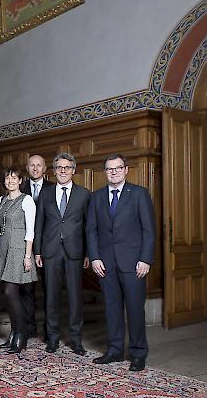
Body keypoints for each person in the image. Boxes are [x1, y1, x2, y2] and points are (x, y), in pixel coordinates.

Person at [86, 154, 155, 372]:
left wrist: (145, 259)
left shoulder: (139, 194)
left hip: (134, 263)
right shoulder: (96, 197)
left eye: (117, 168)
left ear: (126, 170)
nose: (113, 172)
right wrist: (95, 257)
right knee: (112, 309)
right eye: (109, 169)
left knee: (135, 310)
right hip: (105, 264)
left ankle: (138, 353)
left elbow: (149, 231)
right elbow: (91, 230)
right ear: (105, 172)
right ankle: (115, 351)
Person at [33, 153, 90, 355]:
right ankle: (53, 338)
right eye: (59, 168)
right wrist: (37, 251)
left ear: (73, 170)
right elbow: (39, 224)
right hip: (50, 251)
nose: (63, 171)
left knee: (75, 297)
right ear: (54, 170)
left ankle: (76, 340)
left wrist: (88, 253)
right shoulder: (46, 194)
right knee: (51, 297)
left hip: (75, 252)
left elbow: (88, 227)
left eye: (67, 167)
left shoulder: (84, 194)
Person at [0, 166, 37, 354]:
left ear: (20, 181)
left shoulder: (27, 200)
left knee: (11, 292)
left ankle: (21, 333)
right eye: (7, 178)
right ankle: (14, 332)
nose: (10, 181)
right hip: (3, 248)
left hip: (19, 249)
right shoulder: (1, 199)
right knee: (8, 295)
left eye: (14, 178)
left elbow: (30, 231)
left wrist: (27, 255)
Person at [20, 153, 53, 339]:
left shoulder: (53, 188)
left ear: (45, 168)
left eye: (39, 165)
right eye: (32, 165)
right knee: (27, 289)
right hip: (25, 245)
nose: (35, 168)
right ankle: (30, 328)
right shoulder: (19, 187)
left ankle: (50, 330)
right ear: (27, 168)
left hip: (48, 245)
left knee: (50, 289)